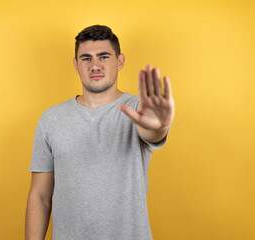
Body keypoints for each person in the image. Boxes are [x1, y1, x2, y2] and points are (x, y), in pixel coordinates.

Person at [25, 25, 175, 240]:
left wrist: (158, 126)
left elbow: (153, 132)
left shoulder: (138, 108)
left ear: (120, 61)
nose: (95, 66)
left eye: (103, 57)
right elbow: (40, 196)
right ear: (76, 65)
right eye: (86, 59)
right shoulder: (51, 119)